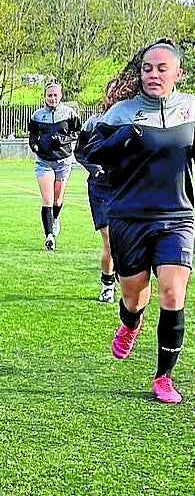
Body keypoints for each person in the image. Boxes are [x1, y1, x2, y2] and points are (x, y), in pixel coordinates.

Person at [85, 38, 195, 403]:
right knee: (134, 295)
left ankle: (163, 376)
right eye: (148, 68)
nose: (154, 74)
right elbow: (87, 150)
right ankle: (130, 323)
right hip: (129, 216)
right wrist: (118, 139)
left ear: (178, 73)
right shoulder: (120, 112)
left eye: (162, 69)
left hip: (177, 215)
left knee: (173, 291)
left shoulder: (192, 109)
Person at [74, 79, 124, 303]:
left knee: (126, 240)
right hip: (100, 189)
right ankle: (108, 284)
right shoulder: (94, 122)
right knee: (109, 240)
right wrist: (95, 168)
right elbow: (80, 152)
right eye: (112, 92)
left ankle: (125, 274)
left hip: (125, 187)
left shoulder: (133, 119)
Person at [28, 81, 82, 250]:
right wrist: (34, 145)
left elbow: (77, 133)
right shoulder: (37, 115)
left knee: (58, 200)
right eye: (49, 95)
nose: (52, 98)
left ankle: (55, 218)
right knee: (48, 199)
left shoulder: (69, 113)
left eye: (55, 95)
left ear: (61, 96)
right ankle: (49, 236)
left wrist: (63, 140)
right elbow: (33, 134)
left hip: (63, 161)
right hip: (44, 161)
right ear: (45, 97)